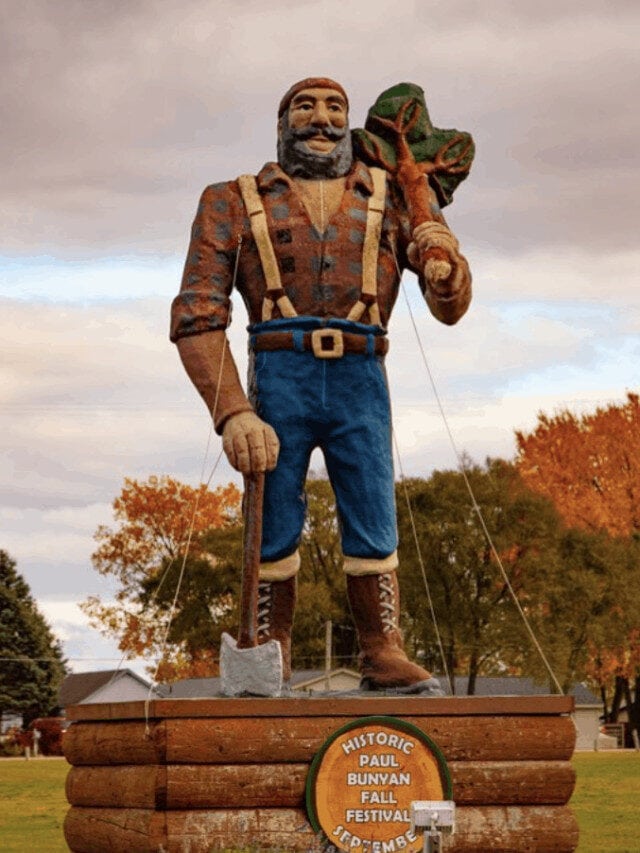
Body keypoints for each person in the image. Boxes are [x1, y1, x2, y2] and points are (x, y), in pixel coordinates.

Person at [170, 77, 471, 693]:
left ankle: (382, 647)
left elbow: (449, 306)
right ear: (281, 124)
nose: (321, 119)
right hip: (280, 372)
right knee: (272, 510)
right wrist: (232, 411)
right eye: (304, 107)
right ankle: (268, 647)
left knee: (372, 504)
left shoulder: (393, 195)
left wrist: (448, 277)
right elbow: (197, 314)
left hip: (362, 372)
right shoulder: (231, 200)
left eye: (336, 107)